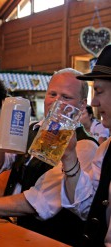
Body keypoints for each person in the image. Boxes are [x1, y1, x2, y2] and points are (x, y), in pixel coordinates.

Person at [0, 68, 99, 246]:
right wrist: (7, 129)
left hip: (51, 240)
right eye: (52, 94)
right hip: (17, 232)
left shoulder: (84, 145)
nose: (56, 102)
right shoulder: (33, 129)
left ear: (82, 105)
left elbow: (38, 201)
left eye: (66, 97)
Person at [60, 45, 111, 246]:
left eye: (98, 91)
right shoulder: (106, 149)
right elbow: (88, 208)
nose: (95, 102)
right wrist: (70, 156)